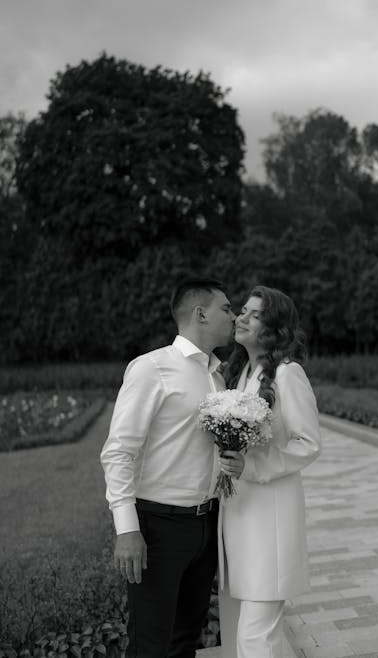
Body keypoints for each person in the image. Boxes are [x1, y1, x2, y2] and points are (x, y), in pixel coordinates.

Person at [100, 277, 235, 658]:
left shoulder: (217, 376)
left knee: (185, 641)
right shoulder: (152, 368)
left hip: (207, 524)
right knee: (150, 645)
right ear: (200, 313)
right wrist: (127, 529)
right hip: (159, 527)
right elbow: (119, 451)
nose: (233, 315)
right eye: (226, 308)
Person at [218, 285, 322, 658]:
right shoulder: (239, 373)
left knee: (255, 637)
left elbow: (308, 442)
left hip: (271, 524)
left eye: (254, 313)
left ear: (273, 328)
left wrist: (254, 466)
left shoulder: (288, 374)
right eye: (242, 310)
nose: (241, 317)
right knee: (251, 635)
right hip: (238, 519)